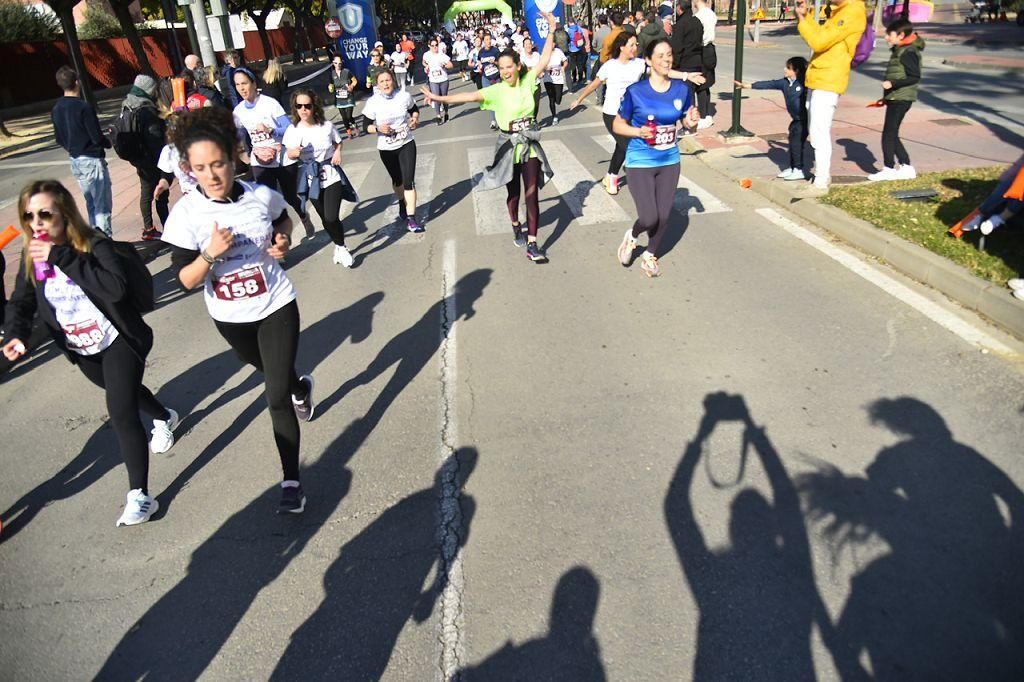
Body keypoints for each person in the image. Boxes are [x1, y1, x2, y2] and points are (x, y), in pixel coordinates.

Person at [160, 106, 314, 515]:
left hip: (276, 303)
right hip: (230, 317)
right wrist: (210, 254)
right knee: (268, 371)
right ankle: (301, 386)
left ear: (233, 158)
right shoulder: (186, 215)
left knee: (274, 396)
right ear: (189, 171)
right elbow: (186, 280)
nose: (211, 175)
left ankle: (291, 481)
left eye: (218, 164)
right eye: (200, 168)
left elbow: (285, 224)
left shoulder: (260, 196)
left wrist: (282, 243)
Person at [3, 180, 179, 527]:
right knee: (123, 393)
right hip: (81, 348)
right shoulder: (32, 254)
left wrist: (61, 256)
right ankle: (164, 414)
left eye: (44, 214)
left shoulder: (91, 243)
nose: (36, 223)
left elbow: (114, 289)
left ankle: (140, 497)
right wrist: (17, 334)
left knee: (121, 410)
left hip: (118, 339)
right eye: (28, 216)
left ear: (64, 213)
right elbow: (22, 302)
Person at [423, 10, 560, 264]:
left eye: (509, 67)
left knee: (532, 192)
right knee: (514, 192)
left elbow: (545, 58)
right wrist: (439, 98)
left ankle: (532, 243)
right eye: (501, 68)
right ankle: (515, 224)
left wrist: (551, 30)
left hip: (529, 144)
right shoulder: (495, 90)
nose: (506, 71)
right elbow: (468, 97)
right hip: (508, 145)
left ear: (518, 66)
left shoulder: (529, 80)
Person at [573, 31, 704, 195]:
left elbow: (663, 71)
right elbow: (594, 84)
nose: (635, 48)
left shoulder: (639, 64)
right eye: (632, 45)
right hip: (612, 113)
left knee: (622, 147)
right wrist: (579, 99)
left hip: (631, 113)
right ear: (622, 47)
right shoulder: (610, 65)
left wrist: (686, 76)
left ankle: (611, 176)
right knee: (628, 146)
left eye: (636, 45)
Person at [613, 38, 701, 278]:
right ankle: (632, 237)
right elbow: (618, 125)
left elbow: (686, 122)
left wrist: (691, 123)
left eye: (669, 55)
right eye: (660, 55)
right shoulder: (636, 92)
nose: (666, 59)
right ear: (649, 60)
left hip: (669, 160)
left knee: (663, 215)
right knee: (649, 216)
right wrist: (638, 131)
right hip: (640, 160)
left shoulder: (682, 90)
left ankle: (650, 255)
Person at [232, 67, 314, 238]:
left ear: (254, 84)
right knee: (266, 200)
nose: (242, 88)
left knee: (291, 197)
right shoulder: (238, 111)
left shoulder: (269, 103)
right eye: (238, 84)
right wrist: (241, 152)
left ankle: (303, 216)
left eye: (245, 83)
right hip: (259, 160)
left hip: (282, 158)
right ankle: (279, 238)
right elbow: (239, 135)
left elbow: (288, 128)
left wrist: (271, 130)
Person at [795, 0, 867, 195]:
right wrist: (805, 16)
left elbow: (818, 42)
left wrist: (804, 20)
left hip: (829, 79)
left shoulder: (852, 11)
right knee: (815, 130)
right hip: (820, 77)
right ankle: (821, 176)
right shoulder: (840, 11)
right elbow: (821, 36)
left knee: (819, 131)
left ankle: (820, 181)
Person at [283, 89, 355, 267]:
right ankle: (338, 246)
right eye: (299, 106)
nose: (303, 109)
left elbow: (338, 142)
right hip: (311, 179)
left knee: (331, 217)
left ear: (314, 106)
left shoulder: (326, 126)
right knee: (324, 218)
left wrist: (337, 152)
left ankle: (342, 247)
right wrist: (294, 152)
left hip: (330, 174)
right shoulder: (293, 130)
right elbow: (289, 153)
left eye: (307, 105)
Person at [51, 66, 113, 238]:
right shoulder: (83, 107)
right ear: (77, 82)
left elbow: (58, 138)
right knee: (102, 204)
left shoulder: (57, 109)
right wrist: (108, 142)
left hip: (75, 159)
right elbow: (96, 137)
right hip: (91, 158)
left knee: (91, 202)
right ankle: (105, 241)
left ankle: (94, 238)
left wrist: (72, 147)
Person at [362, 69, 425, 233]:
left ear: (394, 81)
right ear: (377, 84)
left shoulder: (403, 96)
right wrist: (377, 128)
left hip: (406, 143)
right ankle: (401, 201)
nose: (386, 84)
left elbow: (414, 110)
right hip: (387, 148)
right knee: (397, 181)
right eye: (382, 81)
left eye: (388, 80)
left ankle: (412, 218)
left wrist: (415, 119)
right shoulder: (373, 102)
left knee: (408, 181)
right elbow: (365, 126)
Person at [733, 56, 810, 181]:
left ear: (796, 71)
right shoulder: (785, 83)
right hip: (795, 120)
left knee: (797, 144)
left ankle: (799, 170)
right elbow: (769, 83)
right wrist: (748, 86)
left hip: (805, 120)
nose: (785, 69)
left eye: (788, 68)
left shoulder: (804, 83)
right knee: (792, 142)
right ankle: (792, 168)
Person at [868, 19, 924, 182]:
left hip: (901, 97)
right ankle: (906, 167)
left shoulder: (908, 52)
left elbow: (914, 77)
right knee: (892, 133)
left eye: (889, 34)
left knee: (888, 134)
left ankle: (889, 168)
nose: (886, 37)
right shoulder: (901, 49)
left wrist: (892, 84)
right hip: (896, 97)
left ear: (900, 35)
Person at [121, 75, 169, 241]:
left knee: (146, 193)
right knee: (161, 194)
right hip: (152, 158)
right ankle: (169, 228)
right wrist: (163, 161)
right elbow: (155, 139)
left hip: (138, 157)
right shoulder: (146, 110)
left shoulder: (128, 104)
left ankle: (148, 228)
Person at [694, 0, 718, 128]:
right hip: (710, 49)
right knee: (707, 83)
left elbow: (698, 36)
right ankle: (707, 114)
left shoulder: (698, 17)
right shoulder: (712, 14)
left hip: (702, 50)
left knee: (700, 84)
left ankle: (703, 116)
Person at [423, 38, 455, 124]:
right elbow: (424, 62)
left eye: (436, 45)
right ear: (429, 46)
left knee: (444, 98)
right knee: (435, 98)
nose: (435, 47)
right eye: (432, 45)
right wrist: (426, 66)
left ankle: (446, 113)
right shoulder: (426, 55)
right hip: (433, 80)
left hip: (443, 79)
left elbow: (451, 65)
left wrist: (444, 65)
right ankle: (438, 116)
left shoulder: (442, 55)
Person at [327, 55, 358, 137]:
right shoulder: (331, 74)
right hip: (339, 98)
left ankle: (354, 125)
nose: (338, 65)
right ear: (333, 63)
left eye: (340, 63)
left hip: (348, 97)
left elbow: (354, 80)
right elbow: (331, 84)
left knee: (349, 116)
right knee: (344, 117)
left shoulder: (347, 71)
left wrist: (351, 86)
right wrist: (330, 87)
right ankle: (349, 132)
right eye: (336, 63)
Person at [543, 38, 569, 124]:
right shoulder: (545, 52)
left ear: (555, 43)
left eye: (552, 43)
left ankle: (556, 101)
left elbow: (565, 61)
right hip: (548, 79)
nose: (551, 45)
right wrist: (546, 68)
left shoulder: (558, 51)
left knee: (558, 100)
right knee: (551, 99)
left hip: (558, 78)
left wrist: (563, 67)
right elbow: (541, 65)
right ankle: (554, 116)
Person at [565, 15, 589, 89]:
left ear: (569, 22)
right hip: (579, 48)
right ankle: (581, 78)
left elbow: (567, 39)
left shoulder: (568, 30)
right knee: (579, 64)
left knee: (573, 65)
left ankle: (574, 78)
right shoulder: (578, 28)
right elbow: (581, 35)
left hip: (572, 49)